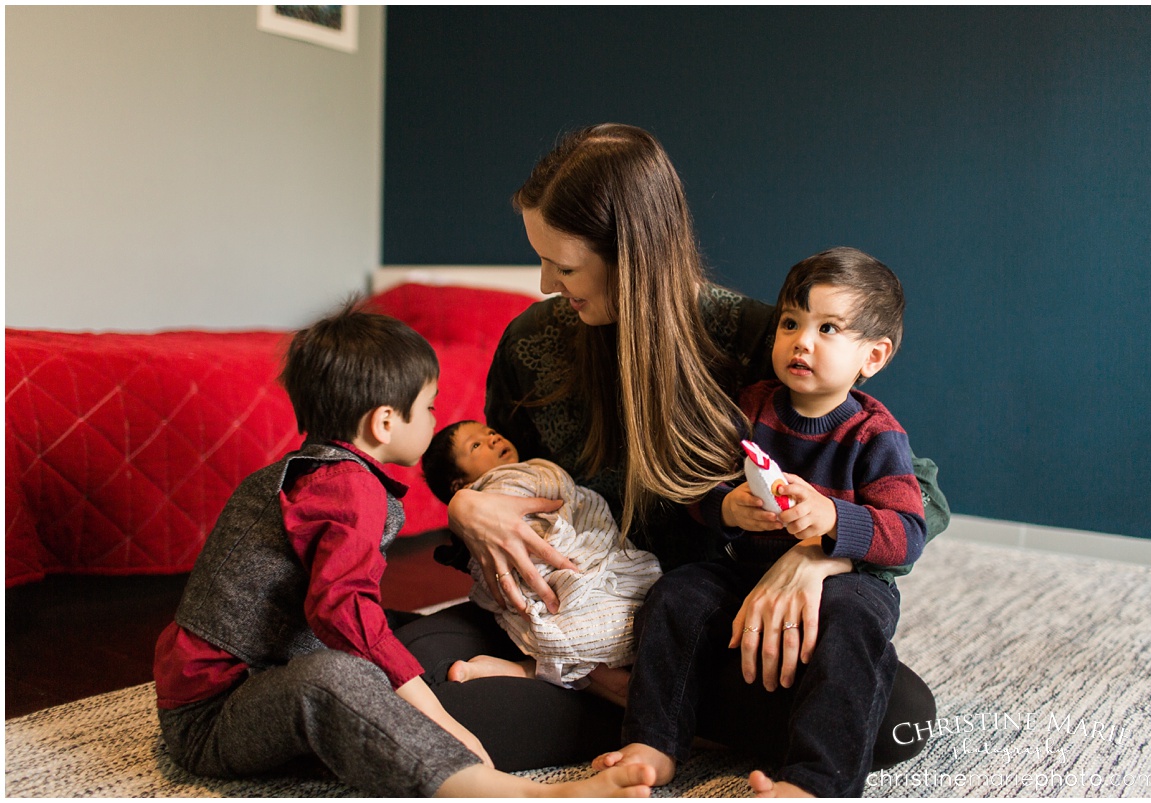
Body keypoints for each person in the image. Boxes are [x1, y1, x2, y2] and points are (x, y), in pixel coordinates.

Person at [395, 123, 949, 775]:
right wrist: (465, 509)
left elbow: (921, 492)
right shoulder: (530, 345)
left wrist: (815, 555)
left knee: (899, 719)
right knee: (397, 668)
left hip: (701, 629)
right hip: (571, 614)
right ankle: (634, 706)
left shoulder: (758, 340)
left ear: (631, 256)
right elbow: (498, 475)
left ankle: (643, 708)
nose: (545, 283)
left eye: (564, 266)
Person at [152, 300, 654, 798]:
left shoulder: (317, 470)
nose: (435, 419)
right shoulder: (348, 487)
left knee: (410, 627)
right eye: (431, 406)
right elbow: (339, 608)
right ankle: (500, 789)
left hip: (266, 665)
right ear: (385, 422)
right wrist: (436, 719)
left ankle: (565, 676)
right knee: (334, 675)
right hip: (214, 715)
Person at [597, 247, 925, 797]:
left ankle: (818, 780)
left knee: (851, 627)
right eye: (791, 323)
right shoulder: (751, 406)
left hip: (845, 584)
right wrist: (725, 506)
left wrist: (835, 518)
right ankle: (655, 740)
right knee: (678, 594)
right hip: (743, 566)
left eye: (828, 328)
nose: (802, 341)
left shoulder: (874, 434)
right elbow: (700, 488)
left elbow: (907, 534)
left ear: (873, 356)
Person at [421, 419, 661, 704]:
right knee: (582, 615)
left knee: (634, 595)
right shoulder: (500, 486)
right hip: (546, 575)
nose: (493, 439)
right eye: (476, 445)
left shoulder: (529, 469)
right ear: (461, 484)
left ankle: (547, 671)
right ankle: (600, 675)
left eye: (491, 432)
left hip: (585, 553)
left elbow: (573, 504)